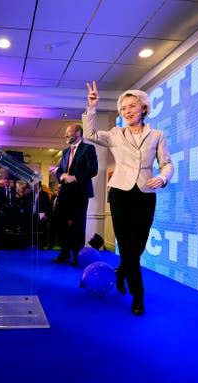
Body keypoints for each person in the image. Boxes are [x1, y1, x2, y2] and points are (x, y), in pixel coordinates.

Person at [82, 81, 174, 315]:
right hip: (120, 193)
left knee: (138, 247)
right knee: (127, 246)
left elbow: (167, 164)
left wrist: (162, 178)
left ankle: (121, 272)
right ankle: (138, 295)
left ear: (144, 108)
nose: (127, 111)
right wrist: (92, 107)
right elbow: (90, 133)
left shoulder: (157, 135)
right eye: (123, 108)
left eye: (132, 106)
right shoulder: (115, 134)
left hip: (145, 195)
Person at [52, 124, 98, 266]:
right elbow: (59, 169)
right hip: (65, 193)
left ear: (78, 133)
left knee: (78, 225)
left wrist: (75, 177)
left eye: (68, 133)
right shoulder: (65, 152)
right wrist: (61, 176)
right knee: (62, 223)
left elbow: (93, 170)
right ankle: (65, 252)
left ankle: (77, 255)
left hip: (80, 193)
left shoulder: (88, 148)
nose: (65, 135)